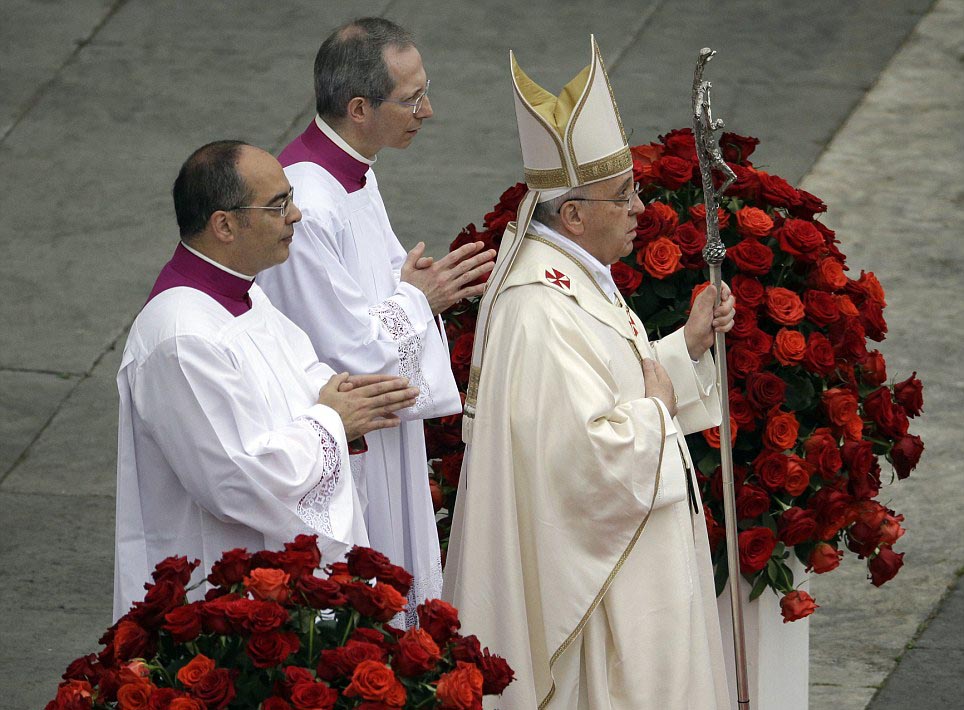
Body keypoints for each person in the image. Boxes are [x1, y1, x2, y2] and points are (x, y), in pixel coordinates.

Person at [442, 37, 736, 708]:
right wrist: (657, 416)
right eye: (624, 197)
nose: (641, 210)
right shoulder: (536, 309)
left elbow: (599, 387)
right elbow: (578, 457)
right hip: (600, 584)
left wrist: (682, 349)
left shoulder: (569, 275)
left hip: (626, 553)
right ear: (572, 214)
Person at [113, 140, 419, 619]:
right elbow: (237, 480)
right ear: (225, 225)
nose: (296, 215)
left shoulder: (245, 293)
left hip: (273, 572)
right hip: (221, 591)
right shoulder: (181, 337)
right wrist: (332, 422)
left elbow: (304, 377)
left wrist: (345, 400)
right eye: (279, 205)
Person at [258, 17, 495, 626]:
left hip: (384, 429)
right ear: (359, 107)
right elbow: (344, 348)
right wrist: (423, 300)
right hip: (351, 436)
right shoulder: (307, 203)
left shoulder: (354, 173)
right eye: (412, 98)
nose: (428, 110)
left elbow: (384, 291)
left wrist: (418, 293)